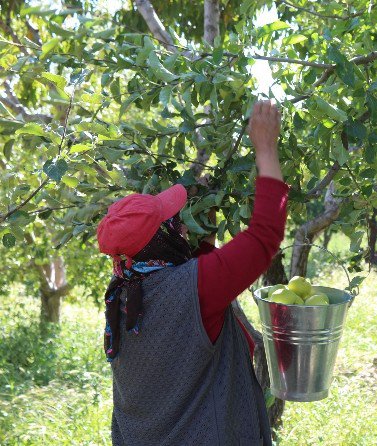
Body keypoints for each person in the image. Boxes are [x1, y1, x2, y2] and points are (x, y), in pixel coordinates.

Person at [96, 101, 288, 445]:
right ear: (162, 240)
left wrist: (206, 224)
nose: (183, 228)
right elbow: (265, 236)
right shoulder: (196, 290)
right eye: (174, 224)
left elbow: (191, 285)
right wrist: (266, 147)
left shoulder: (124, 290)